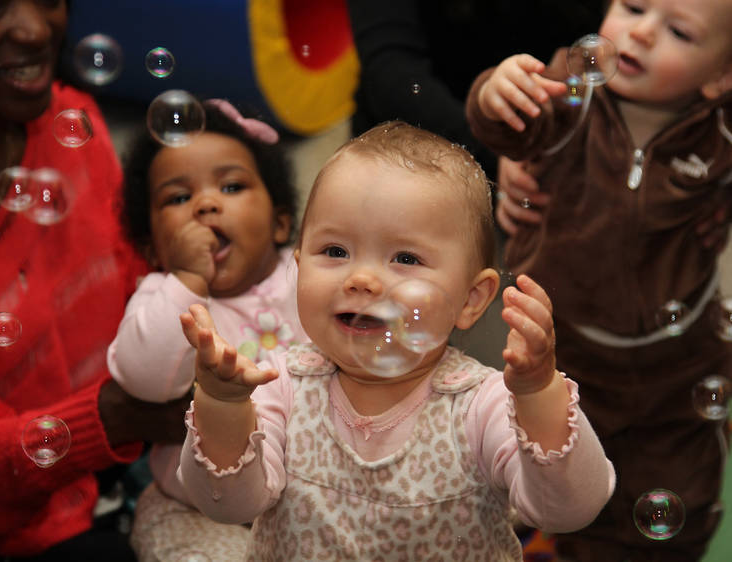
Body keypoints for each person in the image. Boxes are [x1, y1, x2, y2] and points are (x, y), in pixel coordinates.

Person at [175, 121, 615, 560]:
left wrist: (538, 394)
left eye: (405, 258)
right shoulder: (280, 387)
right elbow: (228, 504)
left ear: (471, 298)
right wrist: (223, 404)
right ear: (297, 264)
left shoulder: (483, 405)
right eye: (335, 251)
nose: (362, 278)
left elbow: (569, 510)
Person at [466, 0, 732, 559]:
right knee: (564, 472)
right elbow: (510, 125)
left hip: (680, 362)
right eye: (633, 6)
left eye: (679, 31)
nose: (641, 32)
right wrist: (495, 92)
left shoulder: (721, 135)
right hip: (563, 352)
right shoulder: (569, 93)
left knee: (680, 484)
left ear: (720, 78)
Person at [0, 1, 190, 560]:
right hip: (23, 526)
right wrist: (124, 416)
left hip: (129, 455)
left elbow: (134, 280)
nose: (34, 29)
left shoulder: (72, 120)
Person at [108, 99, 309, 561]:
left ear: (281, 222)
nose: (205, 204)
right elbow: (144, 379)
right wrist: (185, 281)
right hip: (197, 506)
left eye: (232, 186)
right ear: (151, 247)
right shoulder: (163, 294)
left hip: (308, 495)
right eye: (178, 198)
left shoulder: (303, 275)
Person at [346, 0, 604, 180]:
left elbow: (593, 39)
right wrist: (499, 153)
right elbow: (391, 73)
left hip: (549, 149)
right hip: (411, 153)